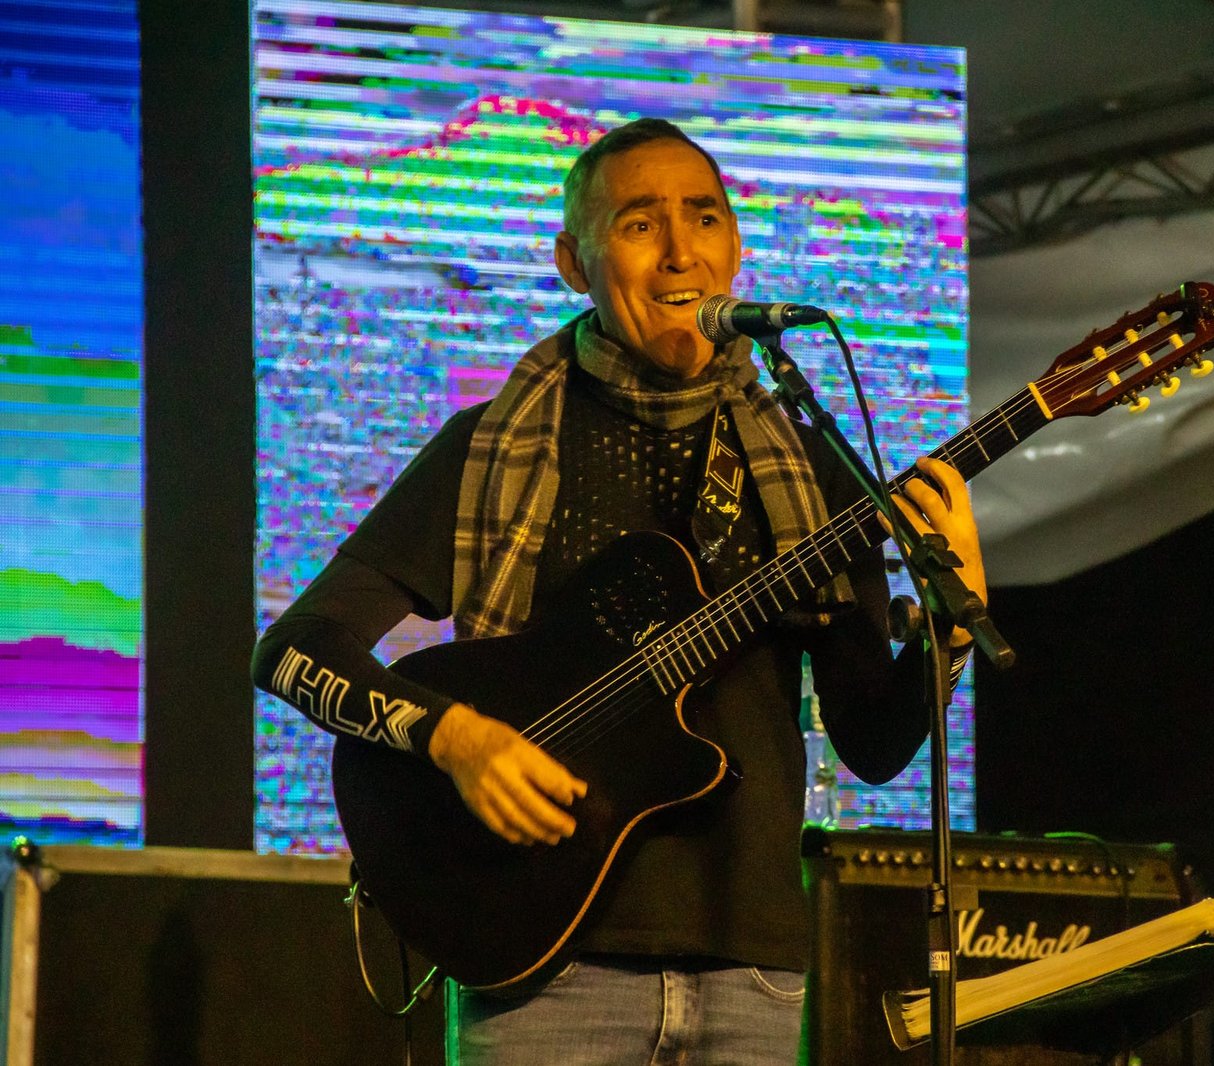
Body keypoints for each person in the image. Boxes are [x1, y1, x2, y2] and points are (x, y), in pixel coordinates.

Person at [252, 117, 987, 1065]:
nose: (684, 250)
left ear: (736, 245)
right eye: (641, 224)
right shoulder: (492, 444)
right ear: (574, 261)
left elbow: (874, 745)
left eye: (707, 217)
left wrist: (951, 618)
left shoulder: (814, 467)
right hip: (543, 968)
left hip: (754, 969)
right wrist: (455, 736)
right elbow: (294, 651)